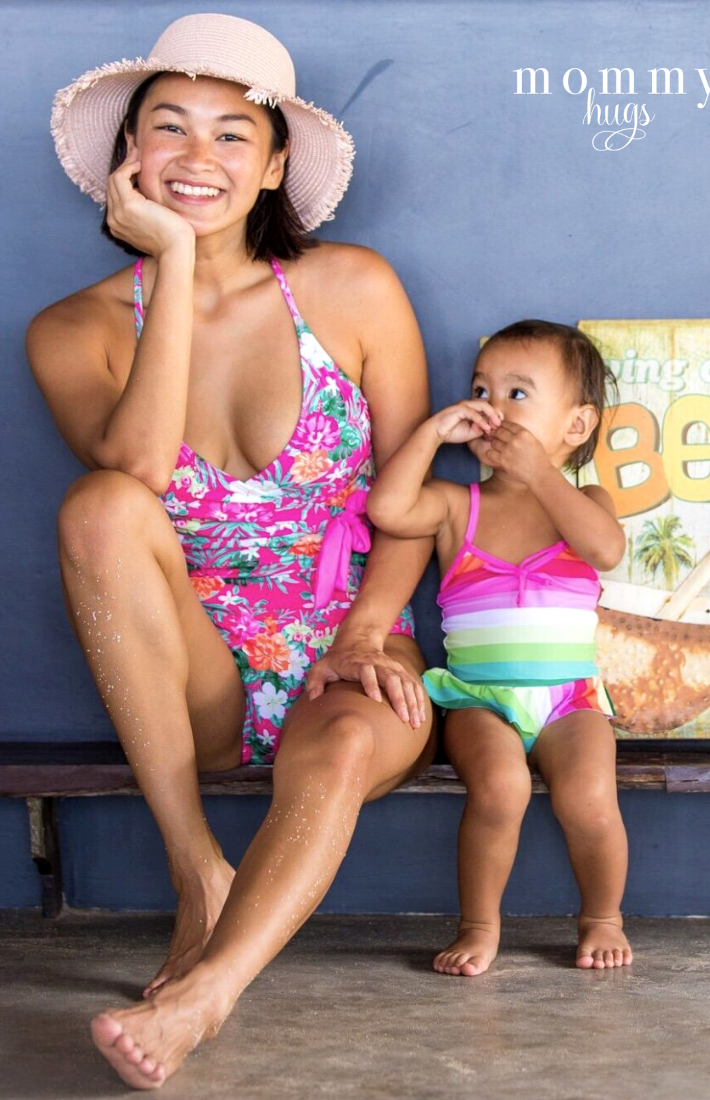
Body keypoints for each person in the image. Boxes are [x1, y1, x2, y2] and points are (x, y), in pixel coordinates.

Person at [27, 13, 436, 1088]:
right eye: (169, 129)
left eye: (230, 136)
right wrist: (165, 258)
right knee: (99, 506)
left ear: (274, 164)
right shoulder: (72, 330)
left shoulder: (354, 289)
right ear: (129, 154)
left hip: (348, 646)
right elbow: (140, 466)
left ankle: (208, 995)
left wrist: (364, 632)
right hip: (193, 676)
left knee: (348, 737)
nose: (196, 160)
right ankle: (192, 863)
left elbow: (407, 499)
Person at [367, 320, 633, 977]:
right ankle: (479, 923)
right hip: (478, 700)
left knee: (592, 797)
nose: (491, 406)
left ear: (575, 427)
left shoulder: (582, 502)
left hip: (570, 700)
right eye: (481, 388)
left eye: (518, 394)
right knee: (501, 785)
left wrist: (542, 475)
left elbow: (606, 550)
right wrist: (432, 433)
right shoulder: (457, 506)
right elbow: (388, 509)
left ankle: (603, 915)